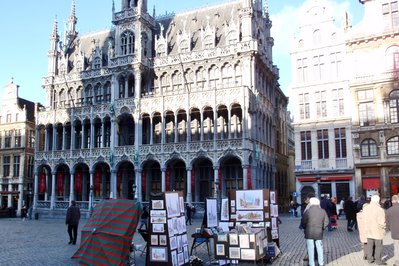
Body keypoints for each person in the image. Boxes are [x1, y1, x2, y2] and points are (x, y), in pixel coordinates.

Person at [301, 197, 329, 266]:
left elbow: (303, 222)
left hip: (309, 232)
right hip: (318, 232)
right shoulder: (322, 211)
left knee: (310, 248)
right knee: (319, 248)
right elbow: (326, 221)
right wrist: (322, 228)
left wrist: (305, 228)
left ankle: (311, 263)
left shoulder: (308, 211)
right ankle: (321, 263)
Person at [363, 194, 386, 265]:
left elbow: (364, 219)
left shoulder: (366, 208)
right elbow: (382, 222)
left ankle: (370, 259)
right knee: (378, 246)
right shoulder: (380, 209)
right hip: (377, 230)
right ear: (378, 201)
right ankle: (378, 260)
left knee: (370, 245)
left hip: (368, 230)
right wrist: (384, 227)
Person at [385, 194, 399, 266]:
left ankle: (397, 262)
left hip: (395, 233)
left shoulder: (388, 211)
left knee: (396, 247)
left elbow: (386, 222)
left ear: (392, 201)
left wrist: (387, 229)